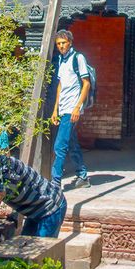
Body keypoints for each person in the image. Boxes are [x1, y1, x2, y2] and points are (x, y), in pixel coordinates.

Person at [0, 151, 66, 238]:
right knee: (25, 248)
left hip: (51, 207)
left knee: (42, 254)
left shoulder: (6, 170)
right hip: (34, 211)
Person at [51, 29, 91, 191]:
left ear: (70, 43)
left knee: (59, 146)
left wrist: (77, 107)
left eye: (63, 43)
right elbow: (60, 86)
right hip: (63, 108)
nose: (61, 46)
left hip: (72, 108)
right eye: (58, 44)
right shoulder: (61, 60)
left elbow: (86, 83)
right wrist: (55, 109)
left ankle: (55, 182)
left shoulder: (78, 58)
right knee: (72, 142)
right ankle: (82, 175)